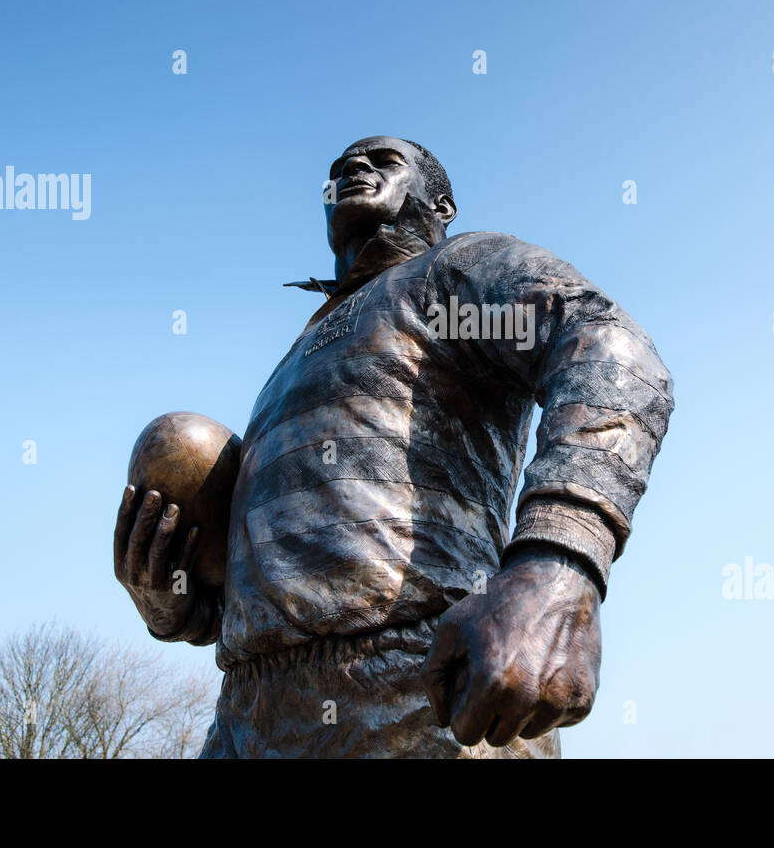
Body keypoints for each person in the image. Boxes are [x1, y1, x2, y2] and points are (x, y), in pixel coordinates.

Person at [113, 136, 674, 757]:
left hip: (421, 687)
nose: (352, 167)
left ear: (441, 202)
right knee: (186, 440)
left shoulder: (448, 278)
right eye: (337, 169)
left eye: (383, 160)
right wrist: (178, 607)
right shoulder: (289, 364)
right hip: (247, 718)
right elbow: (297, 576)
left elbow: (608, 347)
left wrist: (560, 560)